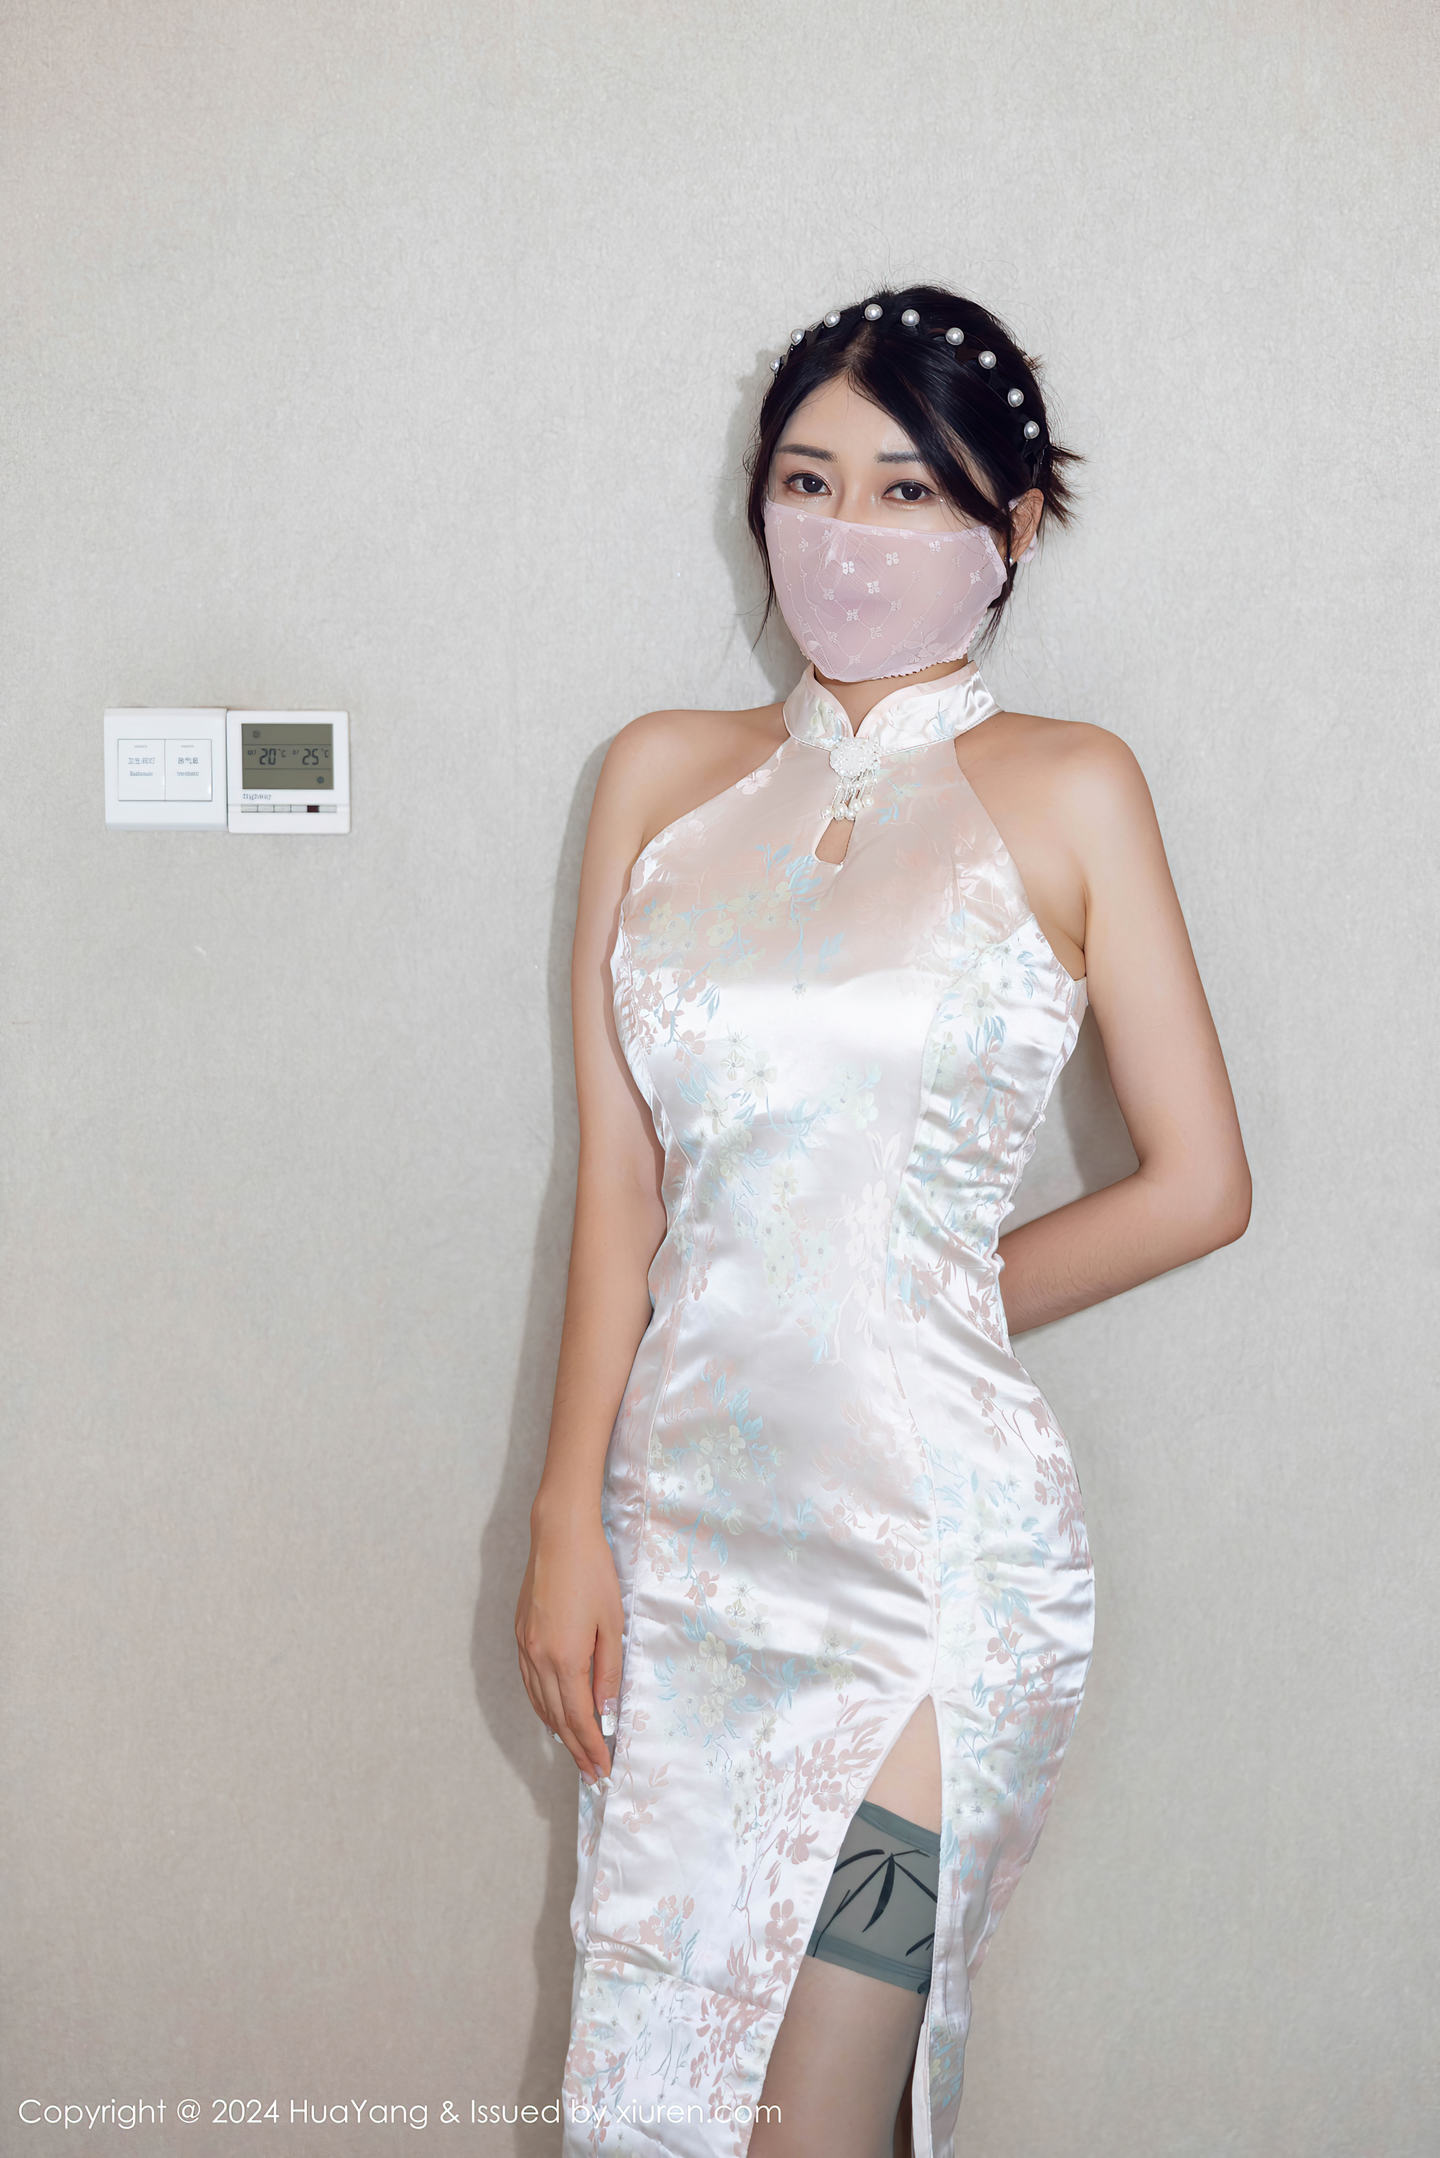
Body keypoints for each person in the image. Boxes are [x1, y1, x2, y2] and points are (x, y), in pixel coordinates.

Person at [515, 282, 1251, 2158]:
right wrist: (565, 1516)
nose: (847, 533)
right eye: (809, 480)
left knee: (816, 2114)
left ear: (1014, 523)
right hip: (679, 1556)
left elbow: (1199, 1184)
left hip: (933, 1574)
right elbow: (621, 1188)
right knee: (656, 2091)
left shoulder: (1071, 786)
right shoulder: (660, 777)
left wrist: (923, 1293)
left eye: (909, 490)